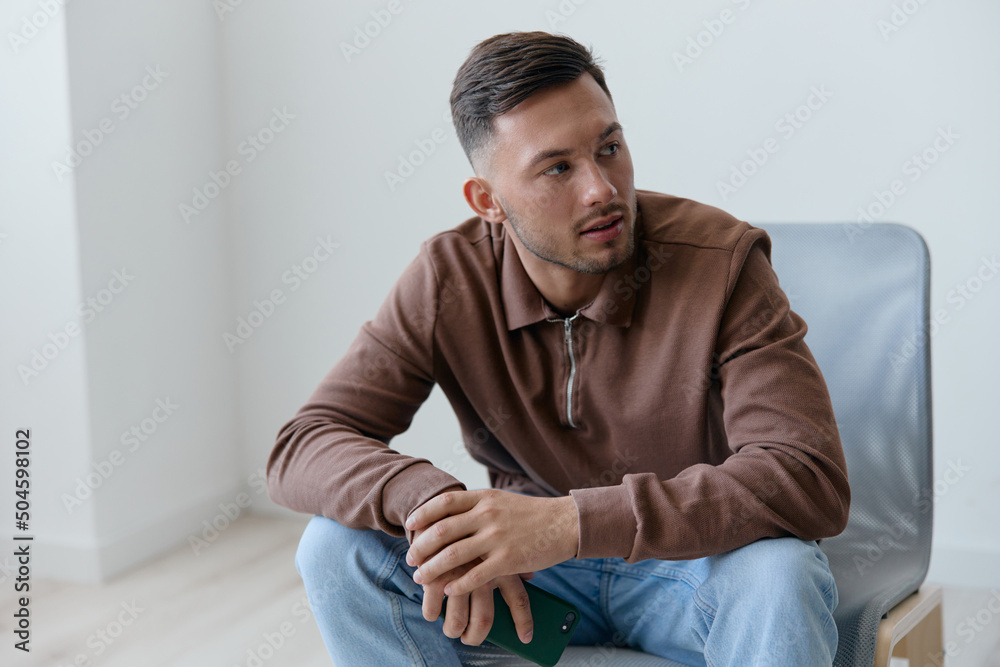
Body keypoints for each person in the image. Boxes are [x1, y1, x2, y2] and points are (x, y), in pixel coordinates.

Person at [267, 30, 851, 666]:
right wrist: (431, 506)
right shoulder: (448, 279)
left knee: (782, 575)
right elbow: (302, 444)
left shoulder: (722, 264)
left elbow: (807, 477)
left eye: (610, 147)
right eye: (557, 168)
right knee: (334, 548)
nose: (602, 188)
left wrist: (568, 524)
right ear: (488, 201)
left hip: (691, 571)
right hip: (529, 591)